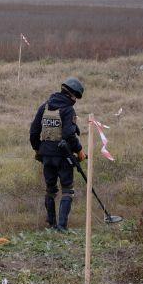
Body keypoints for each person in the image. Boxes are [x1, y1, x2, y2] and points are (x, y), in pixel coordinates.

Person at [29, 77, 86, 232]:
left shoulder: (44, 107)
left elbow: (34, 132)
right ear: (72, 95)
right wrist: (79, 149)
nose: (75, 100)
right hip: (63, 155)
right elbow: (69, 134)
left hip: (46, 155)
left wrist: (38, 149)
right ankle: (61, 227)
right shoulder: (68, 110)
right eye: (76, 97)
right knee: (67, 189)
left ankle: (51, 223)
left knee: (51, 189)